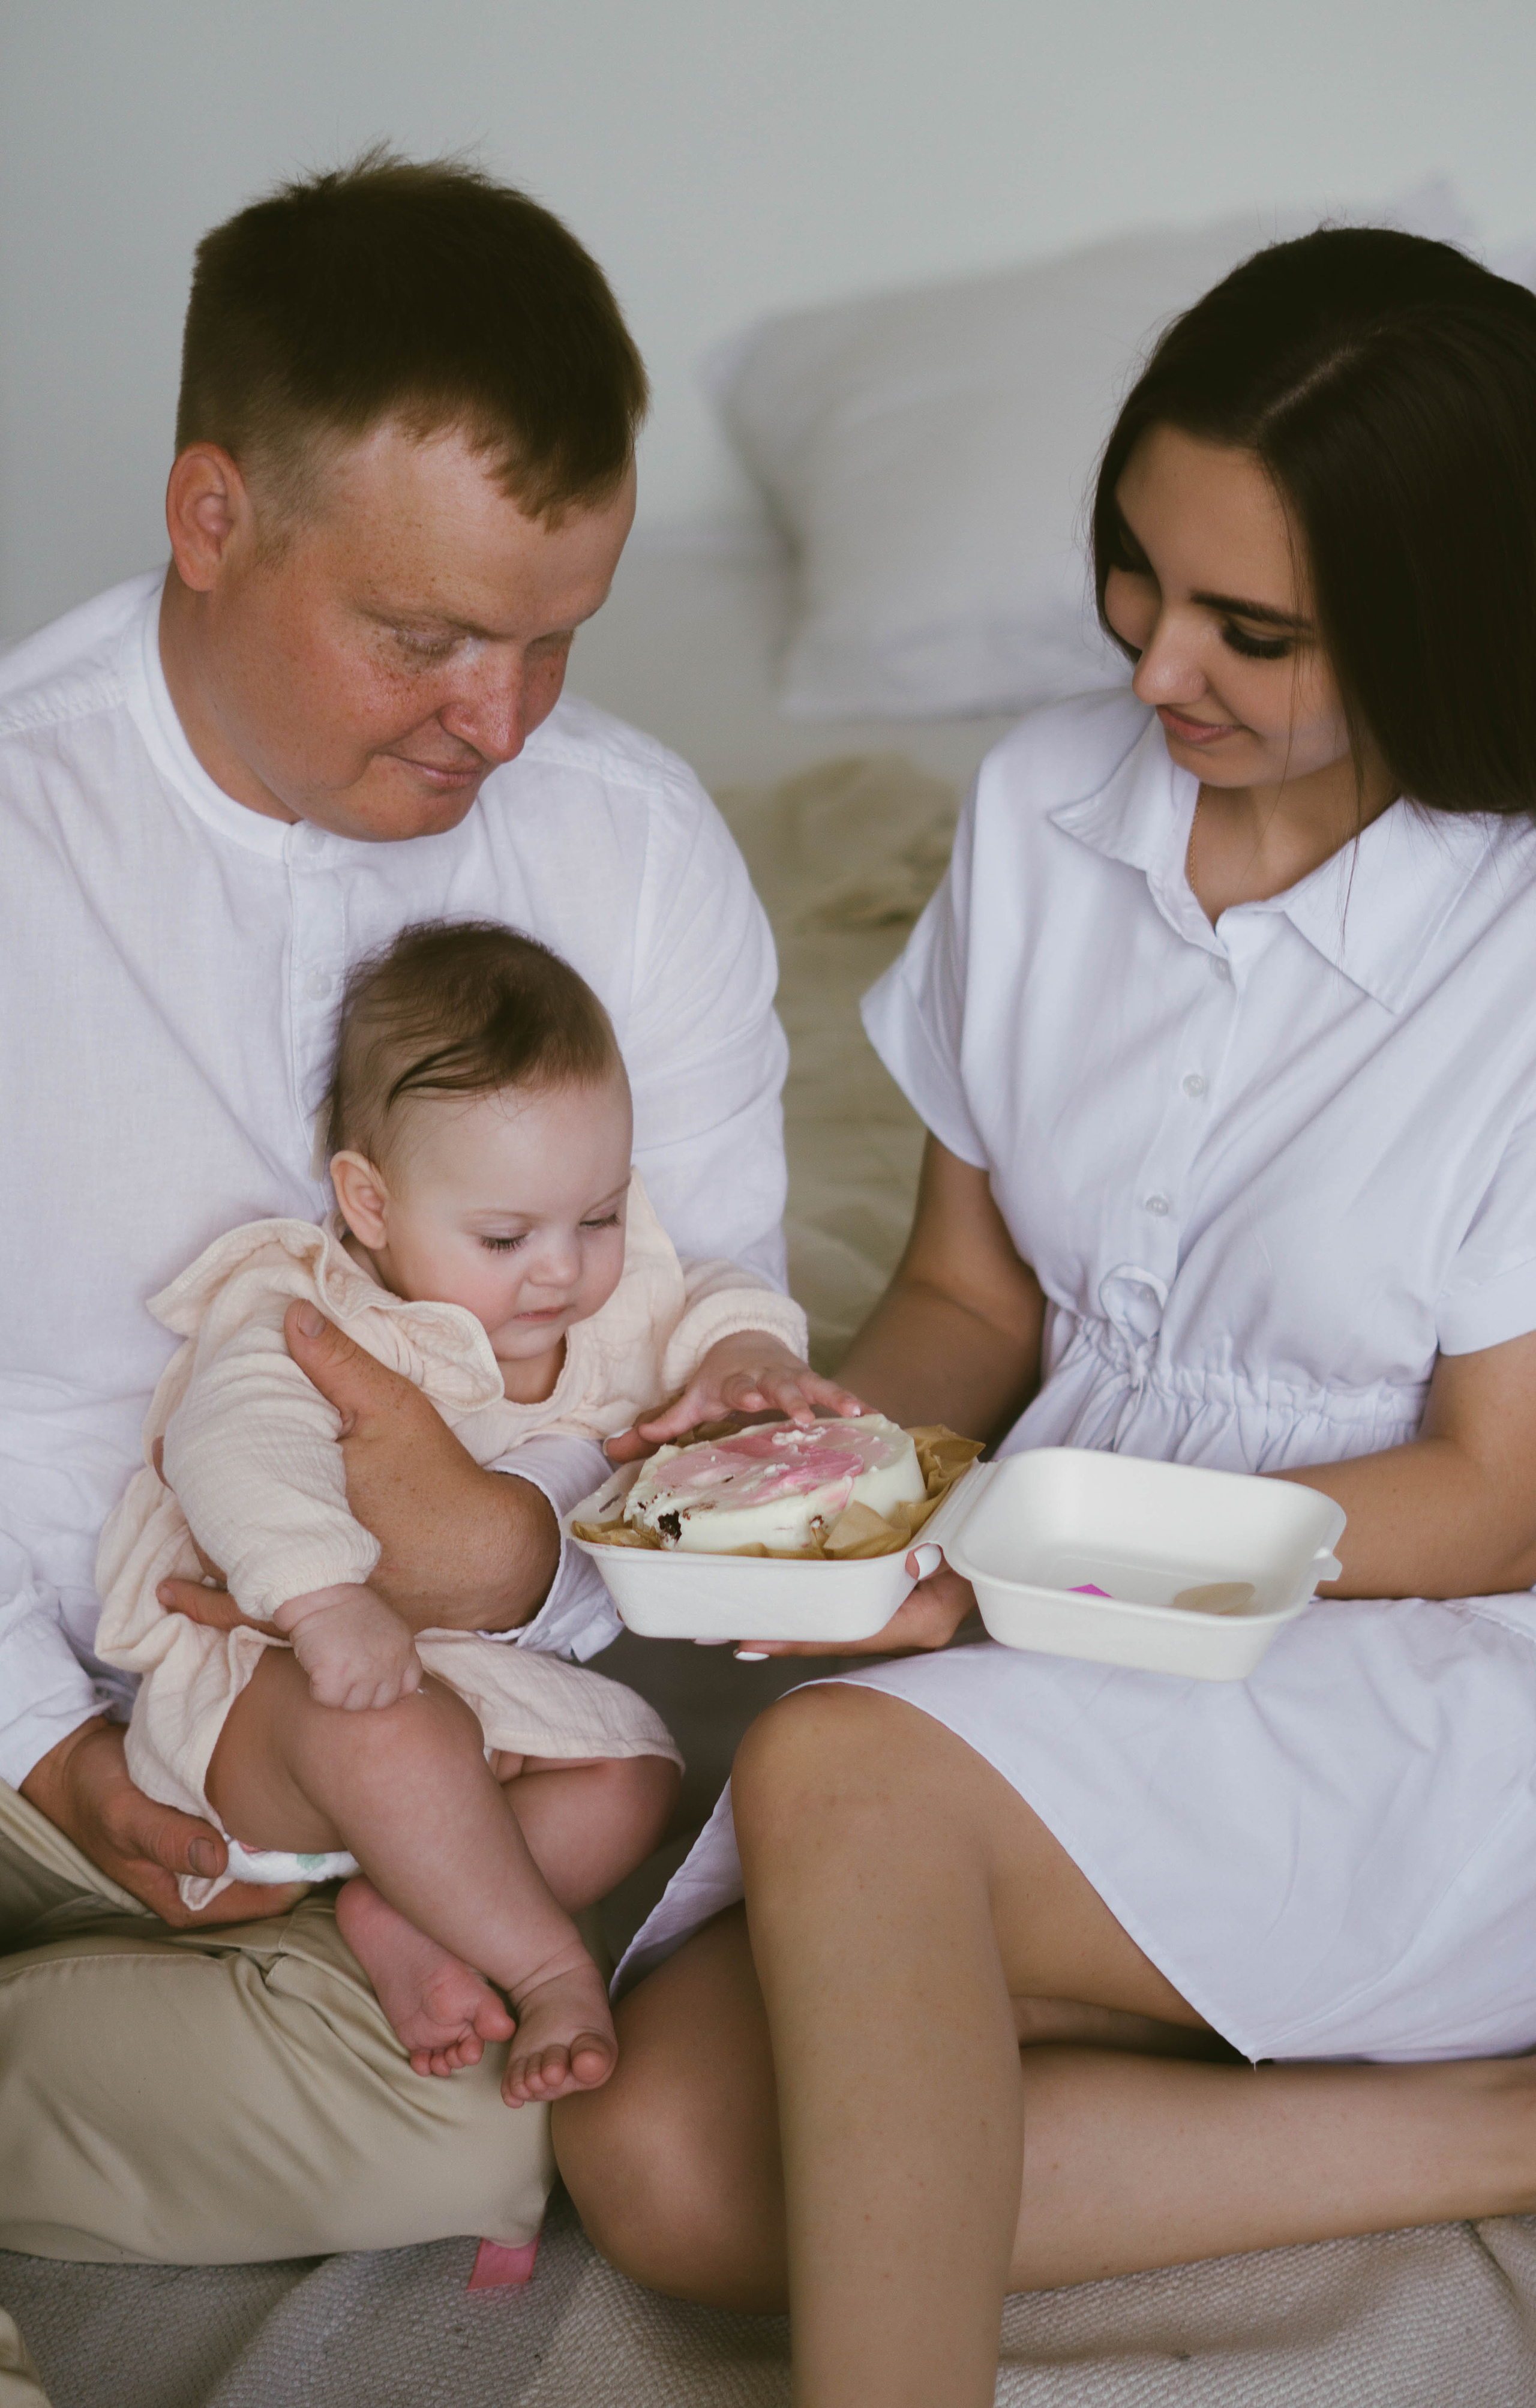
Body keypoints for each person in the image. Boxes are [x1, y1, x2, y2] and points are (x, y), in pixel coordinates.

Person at [556, 227, 1536, 2404]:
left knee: (842, 1775)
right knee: (664, 2152)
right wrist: (810, 1477)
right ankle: (1496, 2122)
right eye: (1132, 568)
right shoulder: (1038, 806)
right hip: (1069, 1643)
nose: (1154, 660)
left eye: (1248, 629)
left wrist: (1010, 1564)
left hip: (1433, 1688)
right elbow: (967, 1296)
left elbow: (1496, 1502)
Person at [0, 151, 792, 2260]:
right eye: (425, 637)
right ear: (211, 517)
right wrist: (44, 1752)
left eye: (554, 640)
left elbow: (710, 1371)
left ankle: (296, 1958)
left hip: (408, 1736)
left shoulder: (630, 851)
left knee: (460, 2137)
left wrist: (520, 1558)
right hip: (40, 1700)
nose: (501, 723)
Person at [97, 919, 852, 2108]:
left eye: (597, 1217)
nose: (562, 1270)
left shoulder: (599, 1302)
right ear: (372, 1201)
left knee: (634, 1769)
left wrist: (746, 1355)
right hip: (275, 1689)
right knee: (395, 1735)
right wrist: (326, 1598)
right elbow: (234, 1445)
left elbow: (707, 1296)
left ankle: (409, 1910)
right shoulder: (299, 1307)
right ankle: (545, 1961)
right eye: (506, 1237)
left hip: (459, 1686)